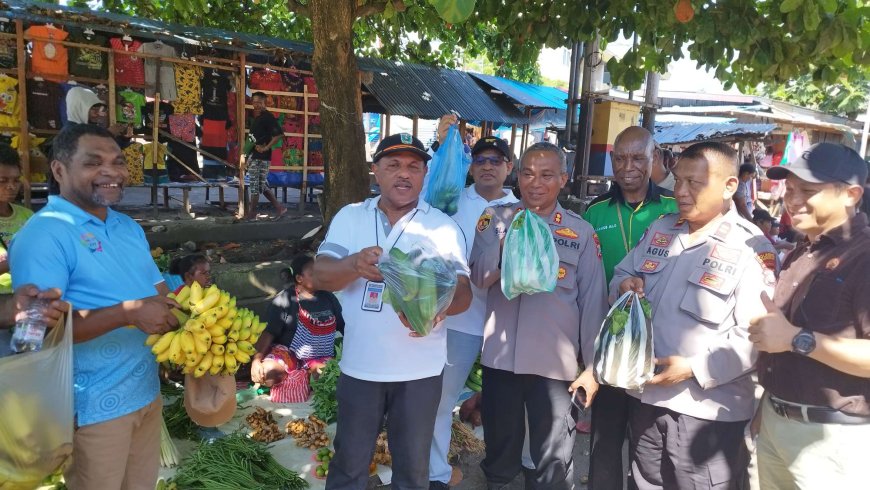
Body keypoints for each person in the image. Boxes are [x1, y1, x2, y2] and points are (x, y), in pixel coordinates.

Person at [9, 124, 179, 490]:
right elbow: (34, 333)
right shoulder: (44, 235)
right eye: (93, 162)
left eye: (118, 162)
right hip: (91, 408)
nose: (112, 172)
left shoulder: (127, 226)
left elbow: (161, 292)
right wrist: (127, 313)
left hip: (145, 395)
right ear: (59, 170)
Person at [611, 141, 776, 490]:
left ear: (730, 186)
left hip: (707, 412)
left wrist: (693, 368)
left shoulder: (751, 247)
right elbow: (618, 276)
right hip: (647, 398)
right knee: (644, 483)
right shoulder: (661, 230)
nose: (681, 192)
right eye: (677, 181)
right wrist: (625, 284)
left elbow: (757, 334)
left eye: (694, 183)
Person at [313, 133, 472, 490]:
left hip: (419, 372)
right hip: (361, 367)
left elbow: (464, 293)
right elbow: (321, 275)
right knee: (350, 466)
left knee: (413, 472)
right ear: (376, 171)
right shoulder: (351, 217)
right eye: (393, 165)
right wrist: (353, 264)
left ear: (424, 174)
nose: (404, 174)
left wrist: (437, 304)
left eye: (414, 167)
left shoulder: (442, 227)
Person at [470, 142, 609, 490]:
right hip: (502, 361)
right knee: (500, 452)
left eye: (547, 175)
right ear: (518, 175)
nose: (535, 183)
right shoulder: (496, 219)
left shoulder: (580, 232)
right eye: (528, 174)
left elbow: (593, 304)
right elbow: (477, 276)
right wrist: (504, 249)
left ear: (563, 179)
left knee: (552, 458)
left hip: (554, 366)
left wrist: (593, 370)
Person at [749, 142, 870, 489]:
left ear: (851, 194)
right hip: (778, 421)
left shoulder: (864, 257)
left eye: (809, 190)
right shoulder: (803, 250)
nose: (792, 199)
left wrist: (795, 339)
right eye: (789, 188)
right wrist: (768, 408)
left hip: (832, 439)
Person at [582, 126, 677, 490]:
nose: (628, 167)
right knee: (605, 440)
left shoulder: (672, 209)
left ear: (654, 158)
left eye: (638, 157)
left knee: (648, 445)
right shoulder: (595, 212)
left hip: (658, 346)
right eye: (620, 158)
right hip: (609, 344)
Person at [428, 115, 519, 489]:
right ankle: (435, 469)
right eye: (479, 160)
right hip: (460, 320)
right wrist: (442, 142)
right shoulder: (450, 199)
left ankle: (512, 467)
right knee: (442, 396)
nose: (486, 166)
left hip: (506, 321)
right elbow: (426, 187)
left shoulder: (520, 209)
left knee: (511, 402)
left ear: (508, 168)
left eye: (495, 160)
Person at [251, 254, 345, 403]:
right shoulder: (285, 300)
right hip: (288, 354)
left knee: (328, 378)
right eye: (313, 274)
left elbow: (344, 327)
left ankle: (304, 375)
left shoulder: (329, 298)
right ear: (300, 278)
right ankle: (299, 375)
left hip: (319, 357)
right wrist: (256, 360)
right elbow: (269, 332)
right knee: (269, 374)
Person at [244, 92, 287, 221]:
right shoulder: (259, 118)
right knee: (261, 185)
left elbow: (279, 135)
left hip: (261, 157)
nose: (256, 105)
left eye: (259, 102)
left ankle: (251, 214)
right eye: (254, 102)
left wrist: (266, 147)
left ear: (265, 102)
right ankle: (279, 208)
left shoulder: (267, 117)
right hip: (256, 156)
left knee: (255, 186)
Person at [0, 144, 33, 294]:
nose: (12, 186)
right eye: (3, 180)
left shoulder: (28, 216)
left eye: (16, 180)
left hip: (29, 292)